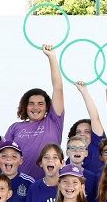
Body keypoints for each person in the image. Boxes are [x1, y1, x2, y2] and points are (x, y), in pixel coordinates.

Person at [5, 44, 65, 181]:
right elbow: (6, 156)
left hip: (50, 183)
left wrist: (51, 57)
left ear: (47, 107)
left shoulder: (53, 122)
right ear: (25, 107)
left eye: (40, 104)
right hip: (20, 186)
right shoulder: (15, 128)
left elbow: (58, 88)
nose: (35, 107)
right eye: (31, 103)